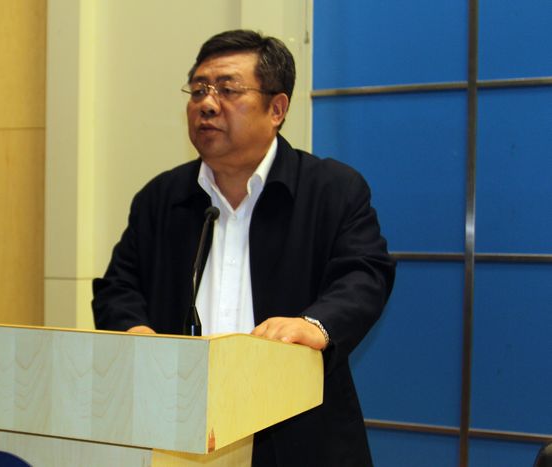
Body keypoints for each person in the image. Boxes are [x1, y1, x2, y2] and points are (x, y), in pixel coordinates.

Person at [93, 29, 396, 467]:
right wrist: (134, 332)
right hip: (178, 431)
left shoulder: (332, 189)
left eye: (228, 89)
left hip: (297, 431)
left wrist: (316, 324)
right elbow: (118, 287)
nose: (207, 103)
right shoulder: (161, 198)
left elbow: (365, 274)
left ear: (277, 109)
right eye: (199, 89)